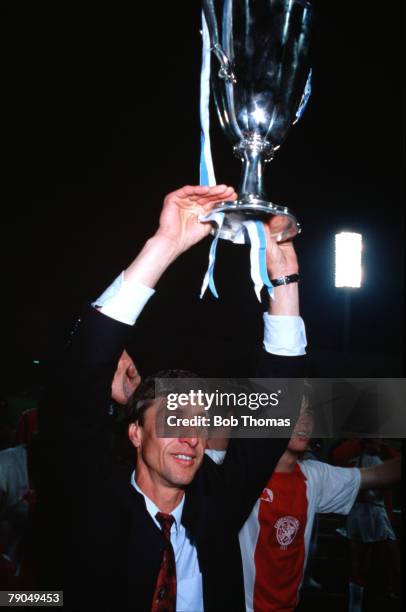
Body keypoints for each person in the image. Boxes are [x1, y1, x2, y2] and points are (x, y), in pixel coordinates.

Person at [38, 184, 307, 611]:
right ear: (135, 434)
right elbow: (76, 384)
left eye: (198, 421)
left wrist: (285, 279)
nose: (190, 436)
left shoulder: (217, 507)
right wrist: (165, 245)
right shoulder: (90, 503)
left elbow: (277, 405)